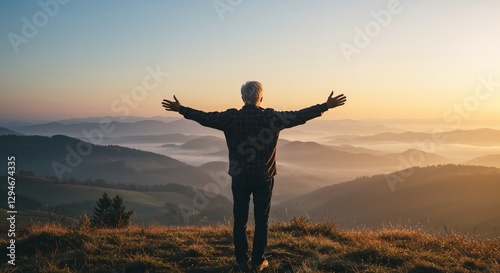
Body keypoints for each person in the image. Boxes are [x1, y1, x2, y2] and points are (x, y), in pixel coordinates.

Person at [161, 81, 346, 272]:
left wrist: (181, 109)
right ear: (261, 98)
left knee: (239, 221)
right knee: (261, 220)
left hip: (239, 177)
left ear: (242, 98)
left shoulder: (231, 117)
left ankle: (241, 261)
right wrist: (325, 106)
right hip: (264, 178)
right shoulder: (271, 118)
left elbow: (204, 117)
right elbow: (299, 116)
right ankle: (258, 262)